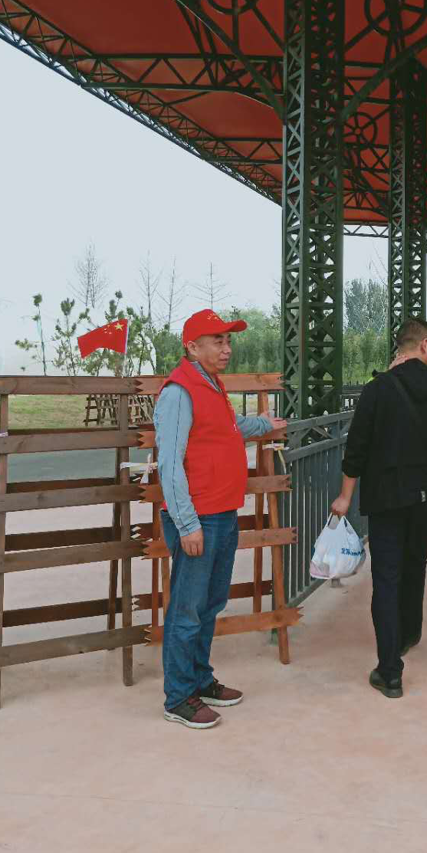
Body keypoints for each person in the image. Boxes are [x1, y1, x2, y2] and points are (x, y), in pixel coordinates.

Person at [155, 309, 287, 729]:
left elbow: (229, 427)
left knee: (209, 604)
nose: (227, 348)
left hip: (222, 512)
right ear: (193, 347)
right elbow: (169, 464)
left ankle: (199, 680)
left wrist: (263, 424)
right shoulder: (179, 392)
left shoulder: (211, 384)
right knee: (187, 610)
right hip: (199, 518)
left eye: (228, 341)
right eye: (217, 341)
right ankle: (178, 697)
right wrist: (187, 524)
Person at [330, 318, 427, 699]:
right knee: (416, 562)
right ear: (425, 345)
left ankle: (390, 671)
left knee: (386, 577)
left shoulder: (377, 389)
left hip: (387, 496)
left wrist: (345, 497)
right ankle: (408, 633)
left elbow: (357, 449)